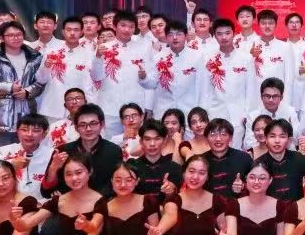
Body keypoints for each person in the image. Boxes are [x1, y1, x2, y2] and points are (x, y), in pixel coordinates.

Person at [0, 20, 50, 152]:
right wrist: (8, 87)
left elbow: (41, 81)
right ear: (1, 37)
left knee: (26, 156)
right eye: (10, 35)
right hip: (0, 118)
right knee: (0, 156)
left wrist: (27, 92)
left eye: (19, 34)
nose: (16, 38)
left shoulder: (35, 57)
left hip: (27, 115)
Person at [90, 11, 152, 139]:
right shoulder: (103, 48)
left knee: (134, 144)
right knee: (109, 143)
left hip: (135, 108)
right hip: (109, 107)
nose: (127, 29)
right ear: (114, 26)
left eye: (131, 26)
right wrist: (98, 57)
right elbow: (96, 77)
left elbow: (152, 81)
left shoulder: (144, 48)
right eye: (123, 25)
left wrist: (144, 77)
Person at [43, 103, 123, 197]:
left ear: (102, 124)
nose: (88, 129)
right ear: (76, 128)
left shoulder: (113, 151)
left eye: (93, 123)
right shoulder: (63, 151)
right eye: (82, 125)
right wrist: (53, 168)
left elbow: (117, 184)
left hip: (102, 202)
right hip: (69, 202)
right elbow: (46, 192)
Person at [0, 113, 54, 200]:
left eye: (36, 131)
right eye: (24, 130)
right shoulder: (5, 151)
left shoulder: (52, 154)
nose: (29, 134)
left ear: (44, 134)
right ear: (17, 131)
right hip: (9, 203)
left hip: (40, 203)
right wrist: (11, 164)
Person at [37, 15, 96, 120]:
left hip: (80, 108)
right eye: (69, 30)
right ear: (63, 32)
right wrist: (45, 67)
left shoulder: (90, 54)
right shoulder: (51, 51)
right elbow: (41, 80)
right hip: (53, 106)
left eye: (76, 30)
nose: (72, 33)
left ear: (82, 32)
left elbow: (93, 82)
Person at [139, 20, 199, 118]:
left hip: (190, 110)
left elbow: (203, 86)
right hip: (164, 110)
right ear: (166, 37)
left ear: (186, 36)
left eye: (179, 34)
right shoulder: (158, 57)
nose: (175, 38)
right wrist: (143, 77)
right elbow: (152, 83)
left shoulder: (197, 56)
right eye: (171, 35)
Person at [202, 117, 253, 197]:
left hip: (237, 203)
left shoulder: (244, 158)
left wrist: (243, 187)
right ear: (206, 138)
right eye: (213, 134)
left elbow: (256, 184)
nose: (218, 139)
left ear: (231, 137)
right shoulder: (200, 161)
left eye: (223, 134)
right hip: (207, 204)